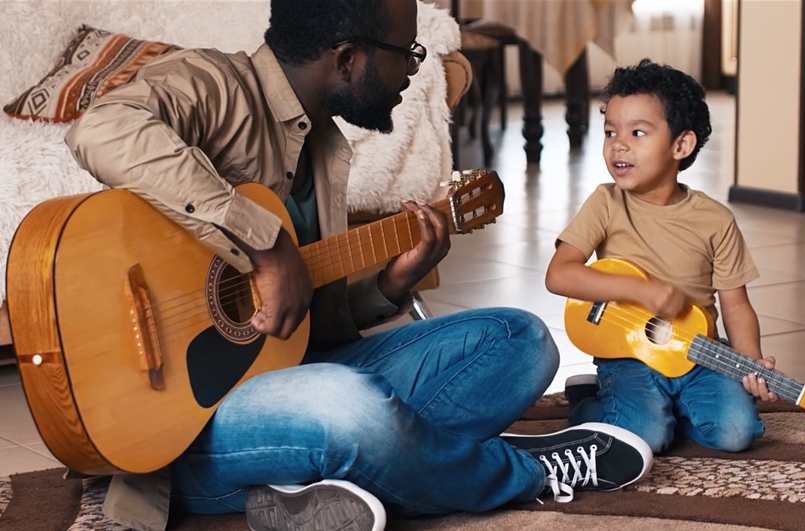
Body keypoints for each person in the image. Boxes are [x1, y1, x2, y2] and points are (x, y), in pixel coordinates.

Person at [65, 1, 652, 529]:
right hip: (191, 417)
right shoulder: (212, 84)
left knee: (520, 339)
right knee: (349, 405)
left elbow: (298, 329)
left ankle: (300, 486)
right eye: (407, 54)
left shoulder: (323, 146)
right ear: (348, 59)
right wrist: (264, 244)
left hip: (289, 378)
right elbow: (102, 129)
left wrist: (394, 281)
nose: (413, 70)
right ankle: (526, 474)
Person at [546, 59, 778, 456]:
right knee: (645, 438)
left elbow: (736, 305)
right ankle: (590, 402)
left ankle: (672, 406)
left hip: (698, 353)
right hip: (629, 356)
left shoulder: (715, 220)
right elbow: (560, 275)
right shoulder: (606, 203)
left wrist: (750, 363)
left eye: (637, 133)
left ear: (681, 145)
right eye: (610, 132)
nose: (618, 144)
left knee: (737, 432)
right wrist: (640, 290)